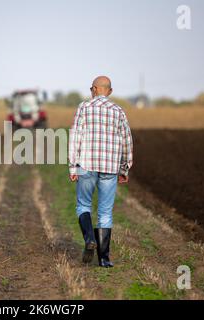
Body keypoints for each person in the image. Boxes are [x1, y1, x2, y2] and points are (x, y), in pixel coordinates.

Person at [68, 76, 133, 268]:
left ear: (94, 89)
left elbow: (75, 137)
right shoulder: (118, 111)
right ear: (110, 91)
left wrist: (73, 166)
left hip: (86, 165)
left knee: (83, 205)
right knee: (105, 212)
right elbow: (126, 141)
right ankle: (104, 259)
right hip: (110, 167)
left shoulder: (84, 108)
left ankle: (89, 239)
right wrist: (124, 168)